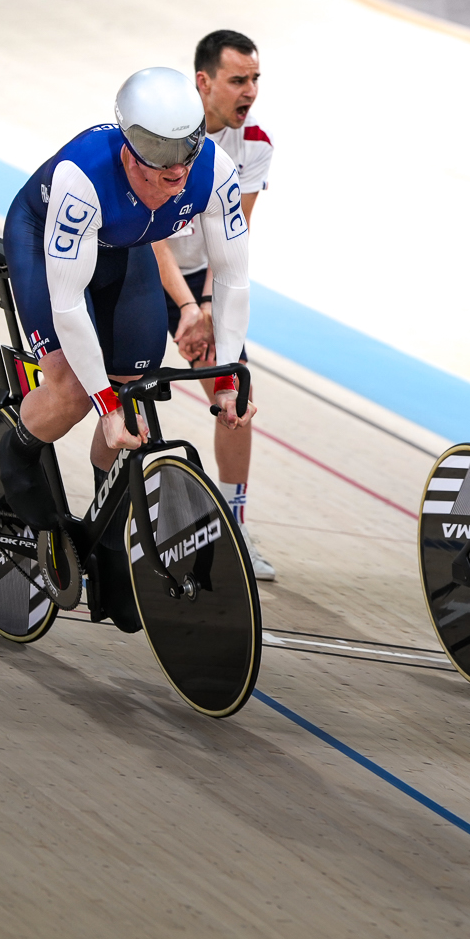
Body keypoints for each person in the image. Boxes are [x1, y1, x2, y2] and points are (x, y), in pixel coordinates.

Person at [0, 67, 253, 630]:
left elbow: (233, 277)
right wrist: (101, 404)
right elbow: (67, 307)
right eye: (158, 161)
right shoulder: (81, 177)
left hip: (124, 245)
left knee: (135, 391)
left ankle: (107, 535)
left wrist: (231, 374)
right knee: (70, 386)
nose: (176, 173)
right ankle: (13, 456)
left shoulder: (215, 170)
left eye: (184, 154)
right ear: (128, 151)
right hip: (47, 246)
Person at [155, 29, 275, 582]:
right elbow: (149, 233)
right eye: (237, 80)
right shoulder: (164, 129)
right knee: (113, 392)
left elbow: (236, 236)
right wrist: (185, 306)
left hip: (205, 272)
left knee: (234, 391)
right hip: (137, 259)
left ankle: (232, 522)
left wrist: (205, 304)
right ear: (203, 83)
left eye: (254, 79)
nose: (249, 91)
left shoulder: (255, 143)